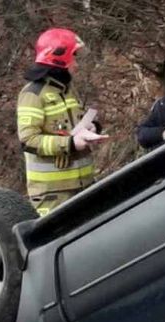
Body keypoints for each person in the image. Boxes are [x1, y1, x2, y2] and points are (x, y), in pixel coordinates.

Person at [17, 28, 107, 217]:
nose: (77, 62)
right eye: (73, 55)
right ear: (59, 59)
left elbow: (74, 124)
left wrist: (91, 127)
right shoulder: (32, 94)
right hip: (53, 196)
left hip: (84, 186)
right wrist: (70, 143)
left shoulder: (66, 89)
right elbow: (28, 140)